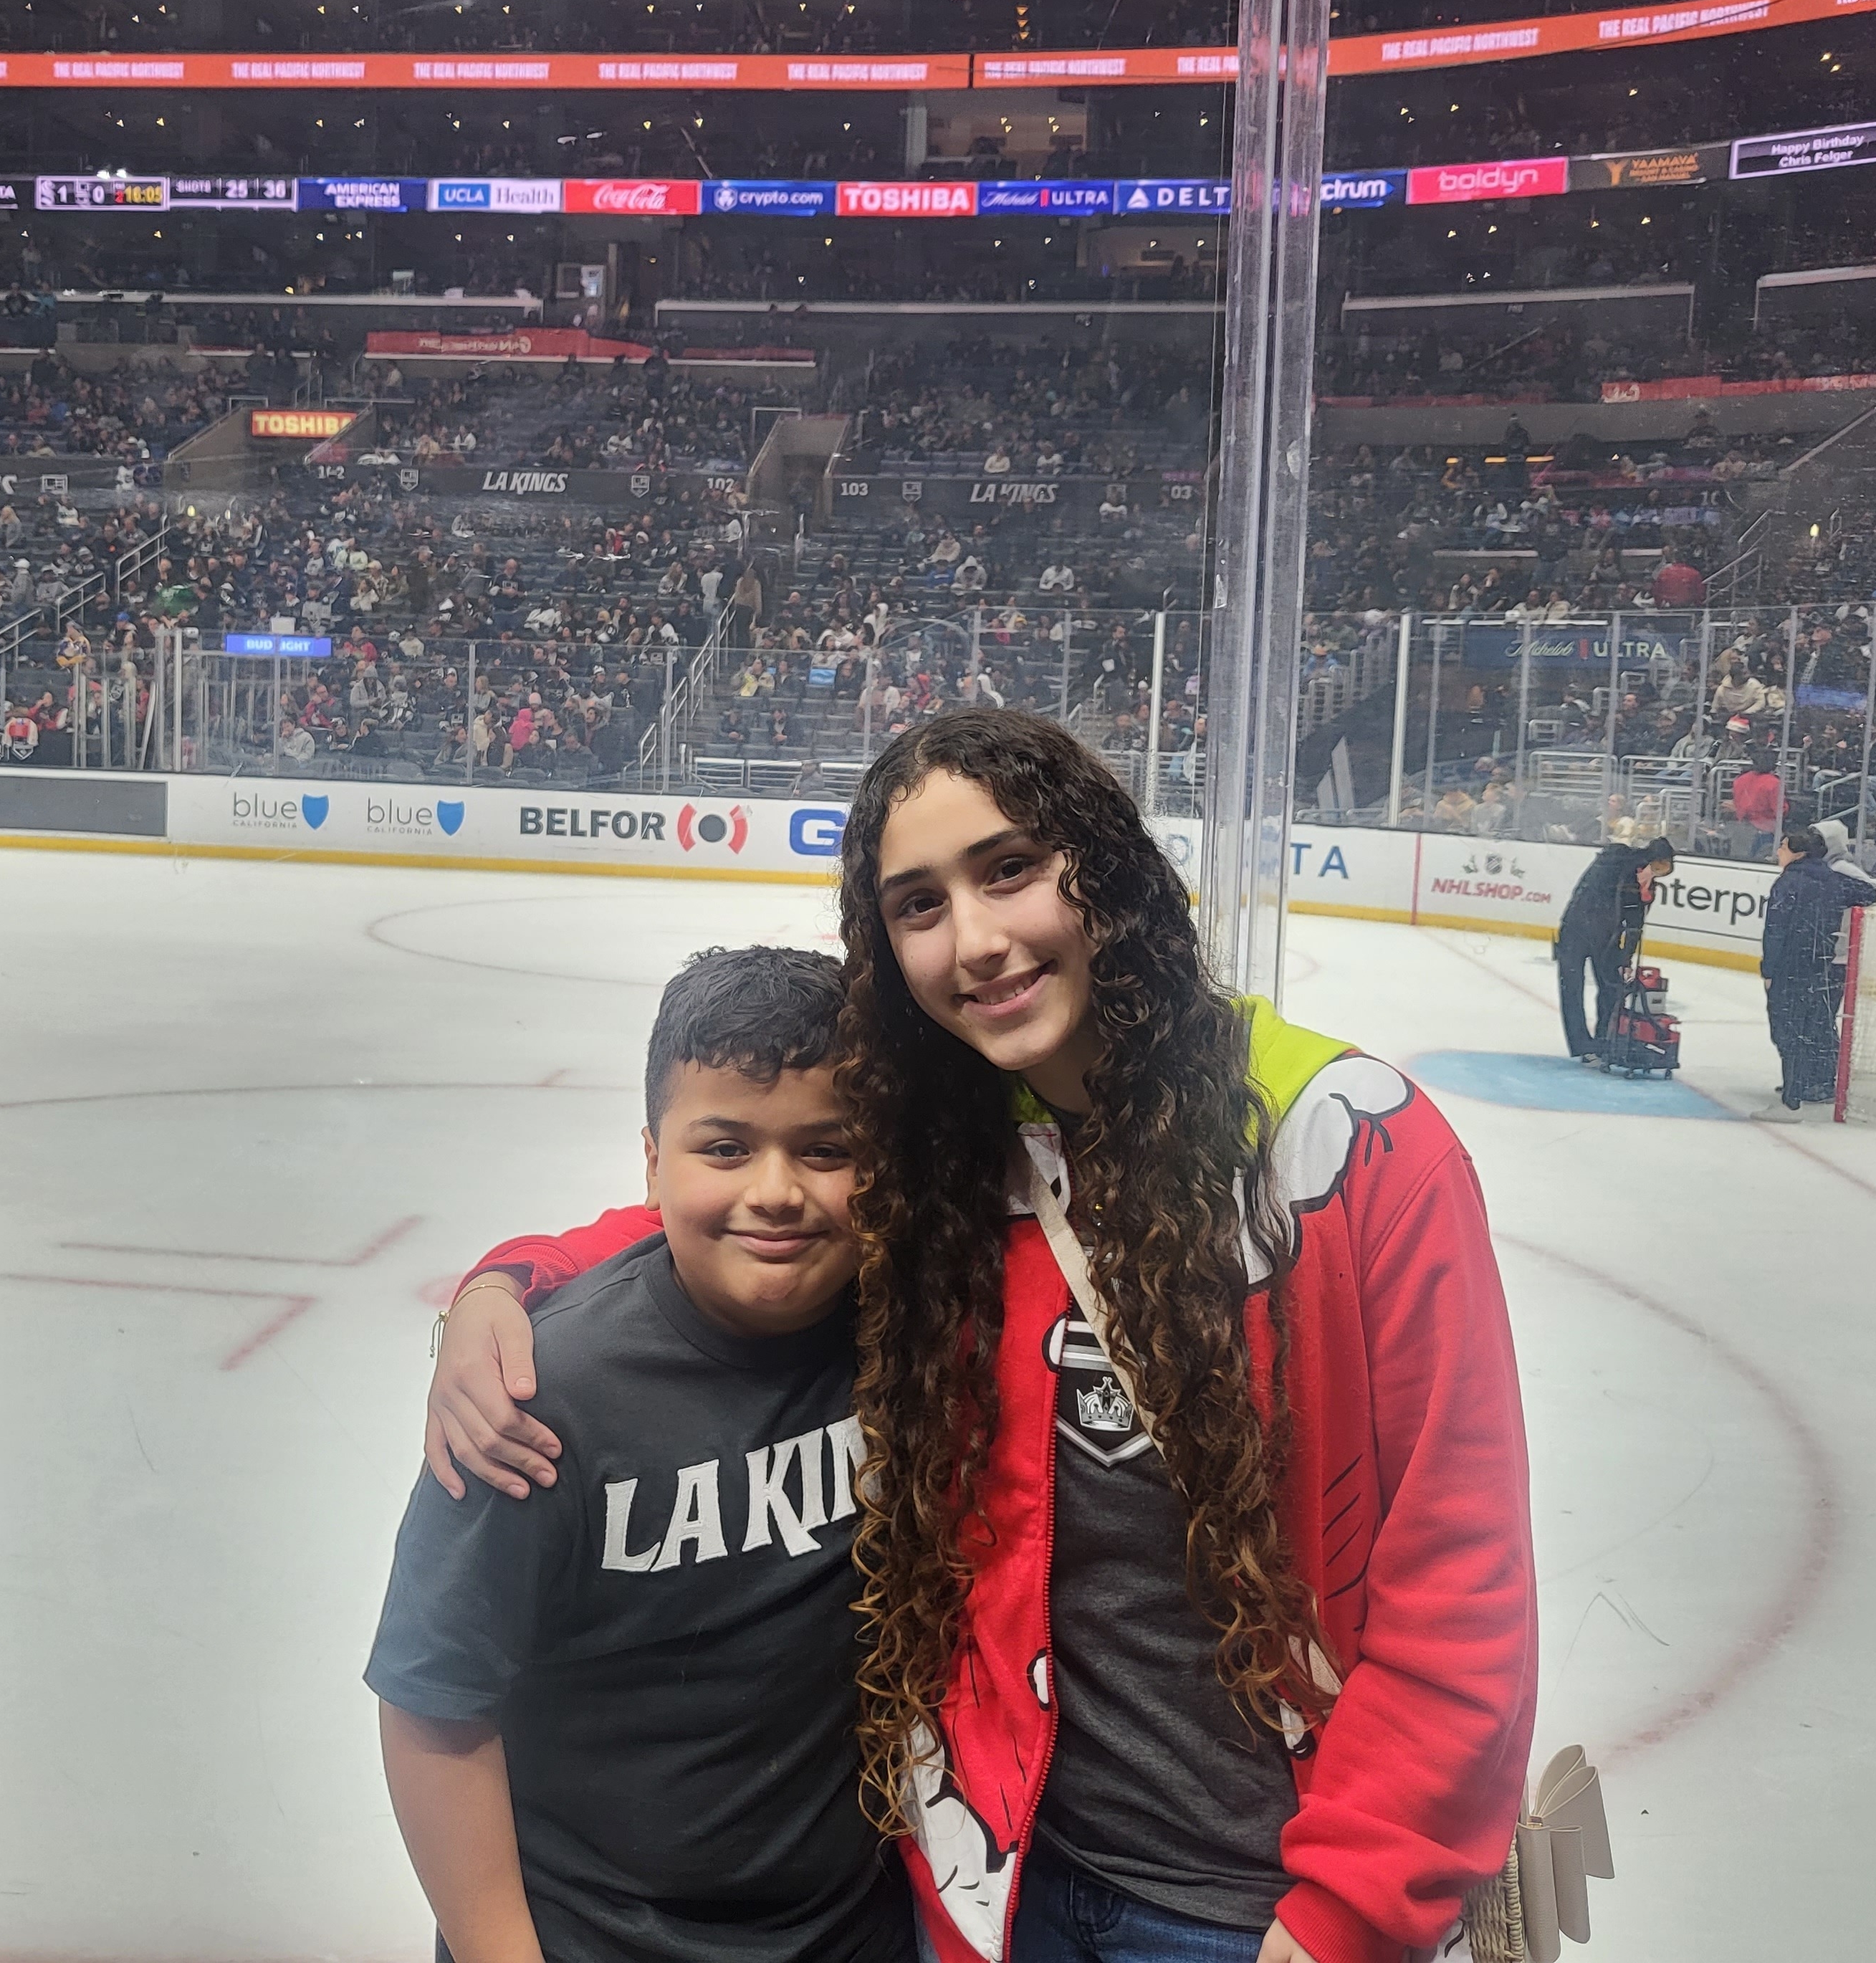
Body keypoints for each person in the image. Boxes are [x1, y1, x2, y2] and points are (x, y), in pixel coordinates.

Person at [425, 709, 1535, 1963]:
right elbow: (741, 1209)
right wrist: (504, 1289)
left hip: (1264, 1913)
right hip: (994, 1896)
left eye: (1010, 870)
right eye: (920, 905)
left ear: (1104, 865)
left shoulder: (1350, 1150)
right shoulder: (962, 1153)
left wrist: (1343, 1920)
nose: (977, 941)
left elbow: (1459, 1586)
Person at [365, 948, 911, 1963]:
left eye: (828, 1149)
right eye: (726, 1149)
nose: (776, 1191)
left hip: (850, 1934)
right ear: (653, 1163)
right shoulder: (535, 1398)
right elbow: (435, 1703)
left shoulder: (907, 1329)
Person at [1755, 825, 1876, 1124]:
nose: (1778, 852)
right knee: (1811, 1024)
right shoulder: (1831, 878)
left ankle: (1800, 1094)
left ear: (1799, 852)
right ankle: (1804, 1084)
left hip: (1797, 967)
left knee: (1794, 1028)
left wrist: (1769, 969)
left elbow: (1775, 930)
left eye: (1783, 847)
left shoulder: (1793, 881)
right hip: (1820, 963)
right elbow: (1869, 894)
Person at [1554, 837, 1673, 1061]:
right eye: (1657, 866)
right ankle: (1582, 1045)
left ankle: (1604, 1039)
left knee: (1613, 988)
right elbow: (1608, 864)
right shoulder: (1618, 860)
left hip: (1607, 939)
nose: (1658, 873)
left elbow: (1635, 925)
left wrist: (1625, 960)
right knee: (1572, 989)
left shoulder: (1646, 888)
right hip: (1575, 933)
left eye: (1664, 870)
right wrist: (1636, 872)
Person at [1729, 754, 1782, 860]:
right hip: (1765, 831)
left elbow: (1736, 801)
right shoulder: (1774, 783)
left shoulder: (1740, 779)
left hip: (1742, 826)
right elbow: (1780, 810)